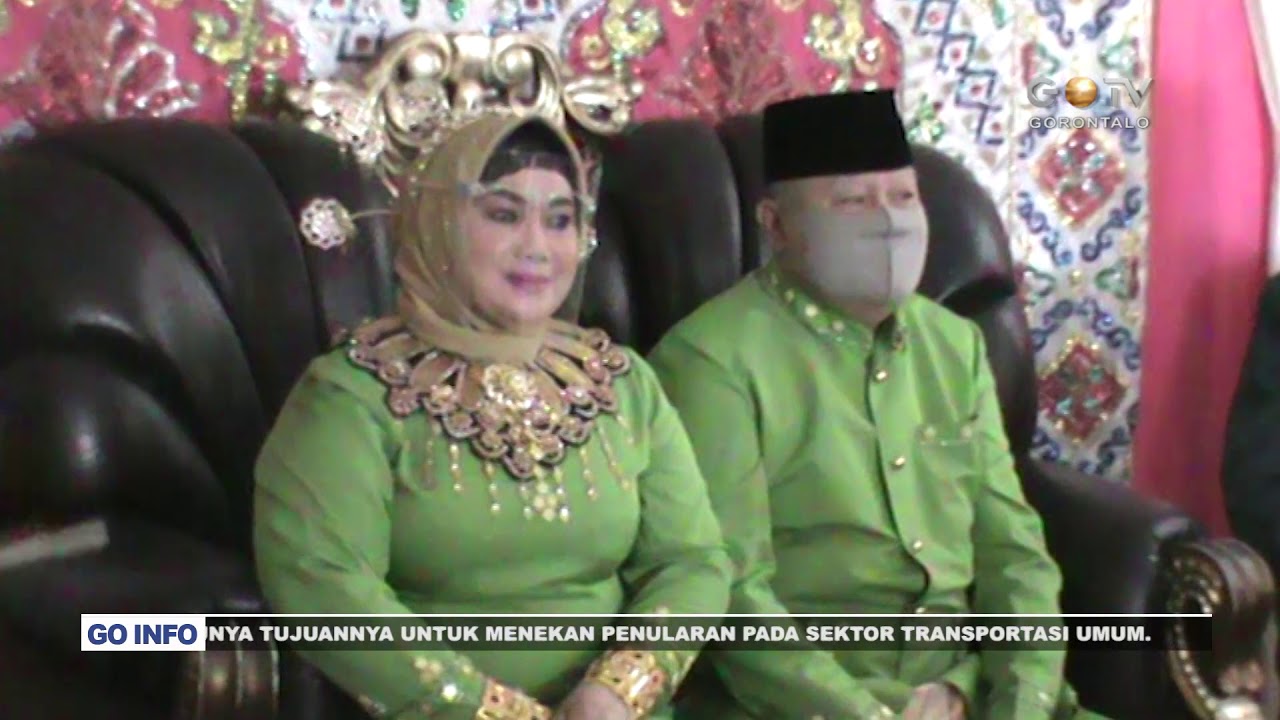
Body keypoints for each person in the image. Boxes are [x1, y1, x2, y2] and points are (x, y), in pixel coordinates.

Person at [254, 113, 733, 720]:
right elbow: (322, 588)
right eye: (504, 215)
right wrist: (490, 710)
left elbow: (691, 561)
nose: (537, 247)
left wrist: (617, 690)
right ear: (439, 224)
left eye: (559, 220)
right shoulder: (351, 396)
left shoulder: (622, 383)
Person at [648, 90, 1106, 720]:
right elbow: (732, 594)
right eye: (852, 201)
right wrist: (875, 711)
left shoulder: (956, 345)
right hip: (802, 705)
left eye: (903, 197)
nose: (888, 221)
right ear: (775, 225)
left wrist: (1014, 701)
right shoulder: (710, 361)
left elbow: (1013, 553)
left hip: (969, 694)